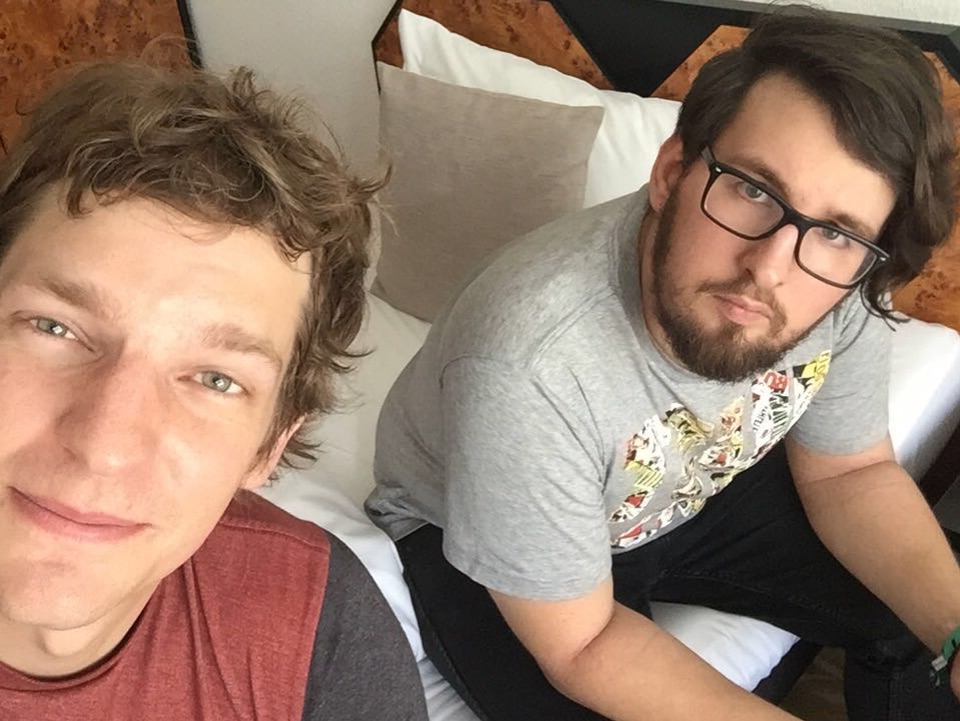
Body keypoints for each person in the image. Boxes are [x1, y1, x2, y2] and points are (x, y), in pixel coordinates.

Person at [366, 8, 960, 721]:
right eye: (754, 190)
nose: (770, 268)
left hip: (681, 489)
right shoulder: (526, 365)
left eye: (835, 232)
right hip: (479, 525)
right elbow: (584, 644)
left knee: (920, 605)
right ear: (672, 171)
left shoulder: (842, 280)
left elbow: (851, 474)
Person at [0, 61, 428, 720]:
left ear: (268, 449)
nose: (105, 446)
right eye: (55, 327)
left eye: (215, 379)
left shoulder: (319, 629)